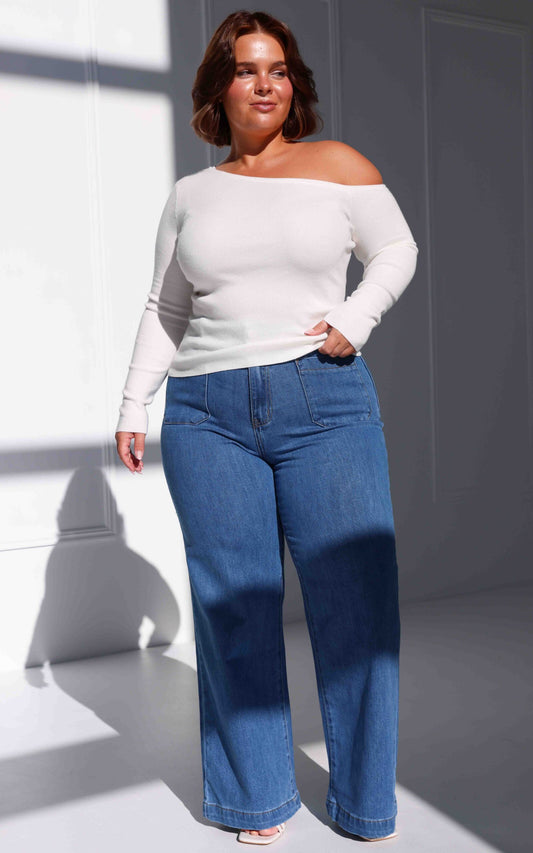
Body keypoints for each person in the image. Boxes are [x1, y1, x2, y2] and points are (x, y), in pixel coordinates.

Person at [115, 9, 418, 846]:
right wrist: (134, 402)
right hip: (205, 413)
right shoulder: (190, 196)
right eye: (245, 69)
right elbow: (165, 306)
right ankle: (254, 798)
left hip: (322, 399)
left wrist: (354, 318)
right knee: (234, 607)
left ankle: (363, 801)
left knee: (355, 605)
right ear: (218, 87)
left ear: (294, 85)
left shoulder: (338, 166)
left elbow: (396, 250)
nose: (264, 84)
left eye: (277, 69)